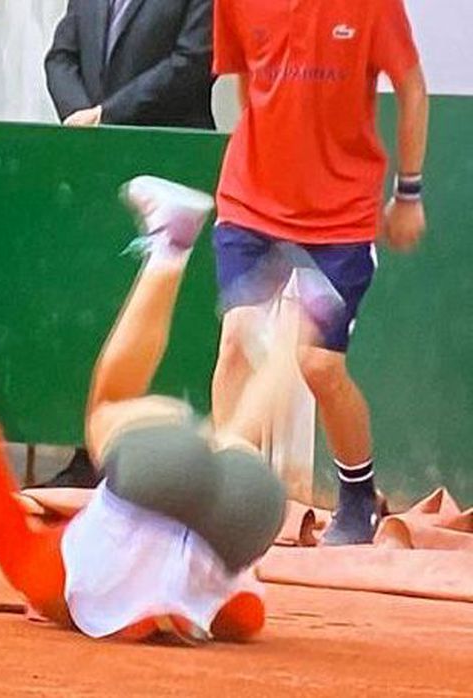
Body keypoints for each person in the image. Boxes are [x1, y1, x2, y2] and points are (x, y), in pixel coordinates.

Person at [0, 175, 335, 642]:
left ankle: (302, 316)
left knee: (228, 438)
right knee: (117, 408)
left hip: (241, 516)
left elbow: (245, 616)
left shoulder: (43, 577)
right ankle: (175, 248)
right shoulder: (51, 567)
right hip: (202, 503)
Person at [210, 0, 429, 544]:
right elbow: (247, 87)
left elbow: (412, 88)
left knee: (317, 366)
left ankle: (358, 498)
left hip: (340, 216)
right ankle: (222, 501)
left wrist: (409, 193)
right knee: (237, 339)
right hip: (249, 204)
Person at [44, 0, 215, 129]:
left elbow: (193, 62)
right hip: (91, 149)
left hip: (168, 147)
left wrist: (107, 114)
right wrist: (80, 114)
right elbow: (61, 57)